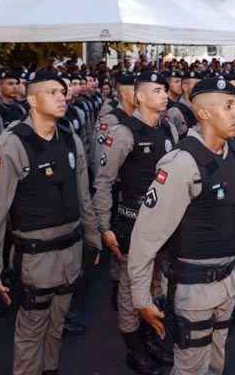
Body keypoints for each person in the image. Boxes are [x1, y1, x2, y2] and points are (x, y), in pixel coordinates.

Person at [0, 71, 101, 375]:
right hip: (35, 257)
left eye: (62, 91)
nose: (61, 96)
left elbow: (83, 196)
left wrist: (93, 237)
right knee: (32, 330)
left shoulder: (69, 138)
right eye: (52, 92)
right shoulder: (12, 144)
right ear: (32, 99)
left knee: (56, 326)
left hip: (70, 251)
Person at [128, 77, 235, 375]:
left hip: (228, 282)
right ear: (203, 113)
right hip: (194, 289)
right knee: (191, 368)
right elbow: (146, 236)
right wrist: (141, 298)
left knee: (216, 364)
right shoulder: (181, 164)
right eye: (228, 106)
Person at [93, 71, 178, 374]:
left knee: (157, 285)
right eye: (157, 90)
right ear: (139, 96)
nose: (164, 94)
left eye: (165, 89)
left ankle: (150, 335)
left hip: (163, 224)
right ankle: (134, 349)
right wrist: (104, 226)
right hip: (132, 222)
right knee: (131, 290)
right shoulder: (124, 132)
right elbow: (103, 183)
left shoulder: (169, 129)